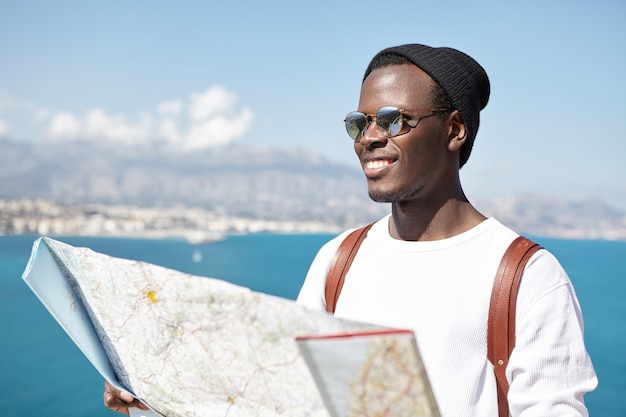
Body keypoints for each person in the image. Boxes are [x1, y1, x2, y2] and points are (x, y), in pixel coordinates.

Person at [105, 43, 597, 416]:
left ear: (454, 130)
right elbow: (284, 397)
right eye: (359, 123)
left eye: (393, 120)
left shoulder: (525, 277)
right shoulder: (340, 258)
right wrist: (158, 398)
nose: (370, 138)